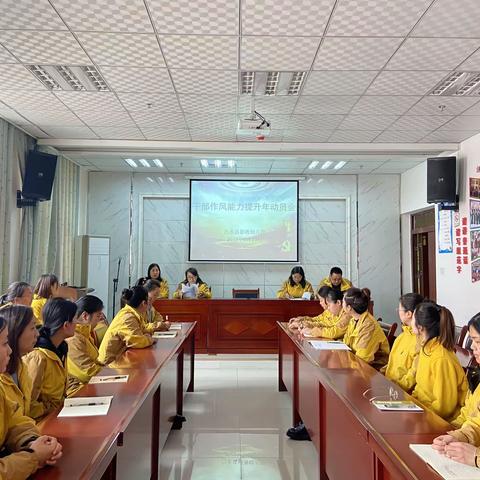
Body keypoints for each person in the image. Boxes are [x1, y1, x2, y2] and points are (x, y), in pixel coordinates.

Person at [0, 314, 63, 478]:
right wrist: (33, 457)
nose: (10, 350)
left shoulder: (20, 367)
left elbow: (16, 421)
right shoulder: (38, 357)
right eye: (4, 343)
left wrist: (33, 442)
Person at [432, 312, 480, 466]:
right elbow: (477, 423)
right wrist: (459, 436)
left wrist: (476, 457)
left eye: (477, 341)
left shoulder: (441, 357)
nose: (472, 347)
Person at [411, 302, 467, 422]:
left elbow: (444, 407)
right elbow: (421, 389)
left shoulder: (441, 358)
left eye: (413, 318)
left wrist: (420, 418)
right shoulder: (426, 349)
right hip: (424, 412)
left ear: (420, 327)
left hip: (441, 421)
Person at [23, 298, 76, 421]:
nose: (77, 324)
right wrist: (50, 408)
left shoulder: (61, 348)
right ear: (66, 325)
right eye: (74, 320)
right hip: (42, 422)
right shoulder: (38, 357)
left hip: (58, 414)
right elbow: (28, 404)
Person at [98, 286, 154, 366]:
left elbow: (142, 330)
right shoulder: (127, 317)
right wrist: (149, 339)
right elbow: (137, 341)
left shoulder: (132, 313)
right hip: (109, 365)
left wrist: (146, 335)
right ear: (143, 303)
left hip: (119, 359)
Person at [0, 305, 38, 416]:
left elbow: (18, 421)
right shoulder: (2, 379)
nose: (37, 334)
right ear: (15, 332)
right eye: (32, 328)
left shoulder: (21, 367)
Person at [382, 293, 424, 392]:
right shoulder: (402, 336)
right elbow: (392, 364)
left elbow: (413, 375)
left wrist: (396, 387)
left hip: (402, 391)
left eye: (399, 309)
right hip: (389, 386)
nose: (398, 312)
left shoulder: (421, 341)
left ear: (408, 314)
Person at [66, 295, 104, 397]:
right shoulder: (74, 339)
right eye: (98, 316)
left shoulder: (85, 334)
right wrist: (109, 372)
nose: (100, 320)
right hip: (76, 391)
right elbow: (86, 372)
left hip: (86, 385)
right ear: (85, 316)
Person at [342, 288, 390, 370]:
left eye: (343, 302)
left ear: (349, 307)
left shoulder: (368, 326)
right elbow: (346, 343)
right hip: (354, 361)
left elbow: (363, 359)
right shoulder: (354, 320)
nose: (341, 304)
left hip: (371, 369)